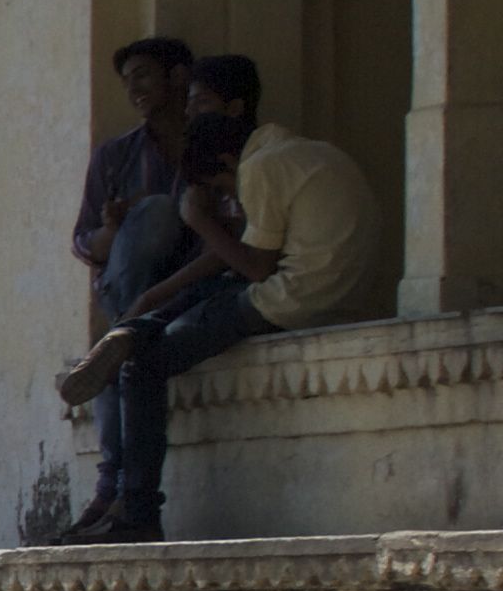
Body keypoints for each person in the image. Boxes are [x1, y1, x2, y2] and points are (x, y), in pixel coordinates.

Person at [48, 51, 375, 542]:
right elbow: (233, 262)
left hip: (293, 298)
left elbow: (254, 266)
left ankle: (138, 511)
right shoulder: (296, 151)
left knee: (143, 367)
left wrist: (199, 221)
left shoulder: (260, 169)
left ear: (226, 161)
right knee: (208, 291)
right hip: (323, 289)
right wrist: (153, 298)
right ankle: (135, 329)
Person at [62, 36, 198, 539]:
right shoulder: (116, 157)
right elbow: (85, 244)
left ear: (178, 78)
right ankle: (112, 490)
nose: (134, 89)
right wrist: (116, 230)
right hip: (129, 288)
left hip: (188, 287)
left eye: (143, 75)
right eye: (127, 81)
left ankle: (110, 491)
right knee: (122, 338)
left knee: (119, 348)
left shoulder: (208, 147)